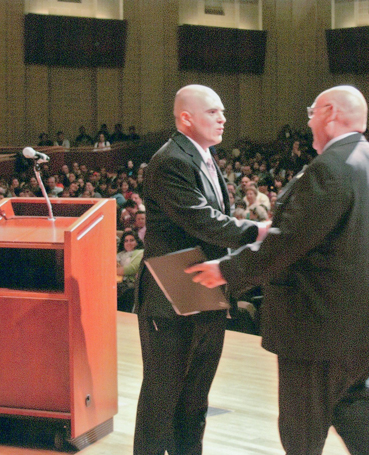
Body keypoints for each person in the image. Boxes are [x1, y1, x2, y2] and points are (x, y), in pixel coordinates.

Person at [187, 86, 369, 454]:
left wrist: (227, 270)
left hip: (319, 328)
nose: (309, 121)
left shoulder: (331, 168)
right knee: (358, 417)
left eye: (312, 112)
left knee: (301, 435)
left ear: (330, 113)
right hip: (359, 325)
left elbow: (289, 243)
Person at [132, 84, 266, 455]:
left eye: (223, 111)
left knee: (194, 398)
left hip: (201, 284)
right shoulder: (171, 160)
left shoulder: (202, 156)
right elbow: (203, 220)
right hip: (171, 292)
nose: (223, 118)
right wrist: (258, 231)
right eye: (212, 112)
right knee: (162, 400)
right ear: (185, 118)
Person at [116, 231, 143, 312]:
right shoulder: (119, 254)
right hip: (116, 284)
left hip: (130, 286)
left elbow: (132, 269)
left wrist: (112, 271)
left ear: (137, 242)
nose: (128, 243)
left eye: (131, 240)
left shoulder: (140, 253)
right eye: (126, 241)